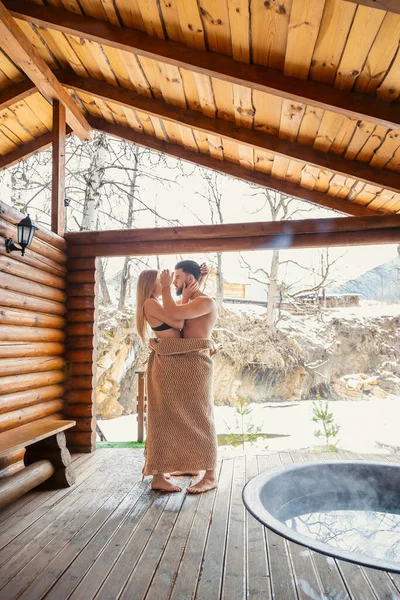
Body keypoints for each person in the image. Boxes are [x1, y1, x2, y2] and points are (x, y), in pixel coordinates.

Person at [135, 266, 207, 493]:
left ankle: (181, 465)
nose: (165, 282)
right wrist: (182, 295)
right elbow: (178, 322)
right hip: (167, 363)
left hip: (174, 361)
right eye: (161, 280)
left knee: (174, 417)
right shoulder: (150, 303)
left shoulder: (155, 302)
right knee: (162, 418)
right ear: (151, 284)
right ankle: (157, 476)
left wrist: (198, 282)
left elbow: (181, 309)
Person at [153, 259, 218, 494]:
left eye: (177, 277)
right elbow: (180, 320)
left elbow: (174, 314)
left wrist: (165, 288)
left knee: (200, 416)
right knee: (182, 415)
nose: (173, 281)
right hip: (183, 361)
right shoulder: (191, 299)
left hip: (197, 363)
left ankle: (210, 475)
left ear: (189, 279)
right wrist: (179, 290)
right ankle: (190, 465)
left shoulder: (205, 301)